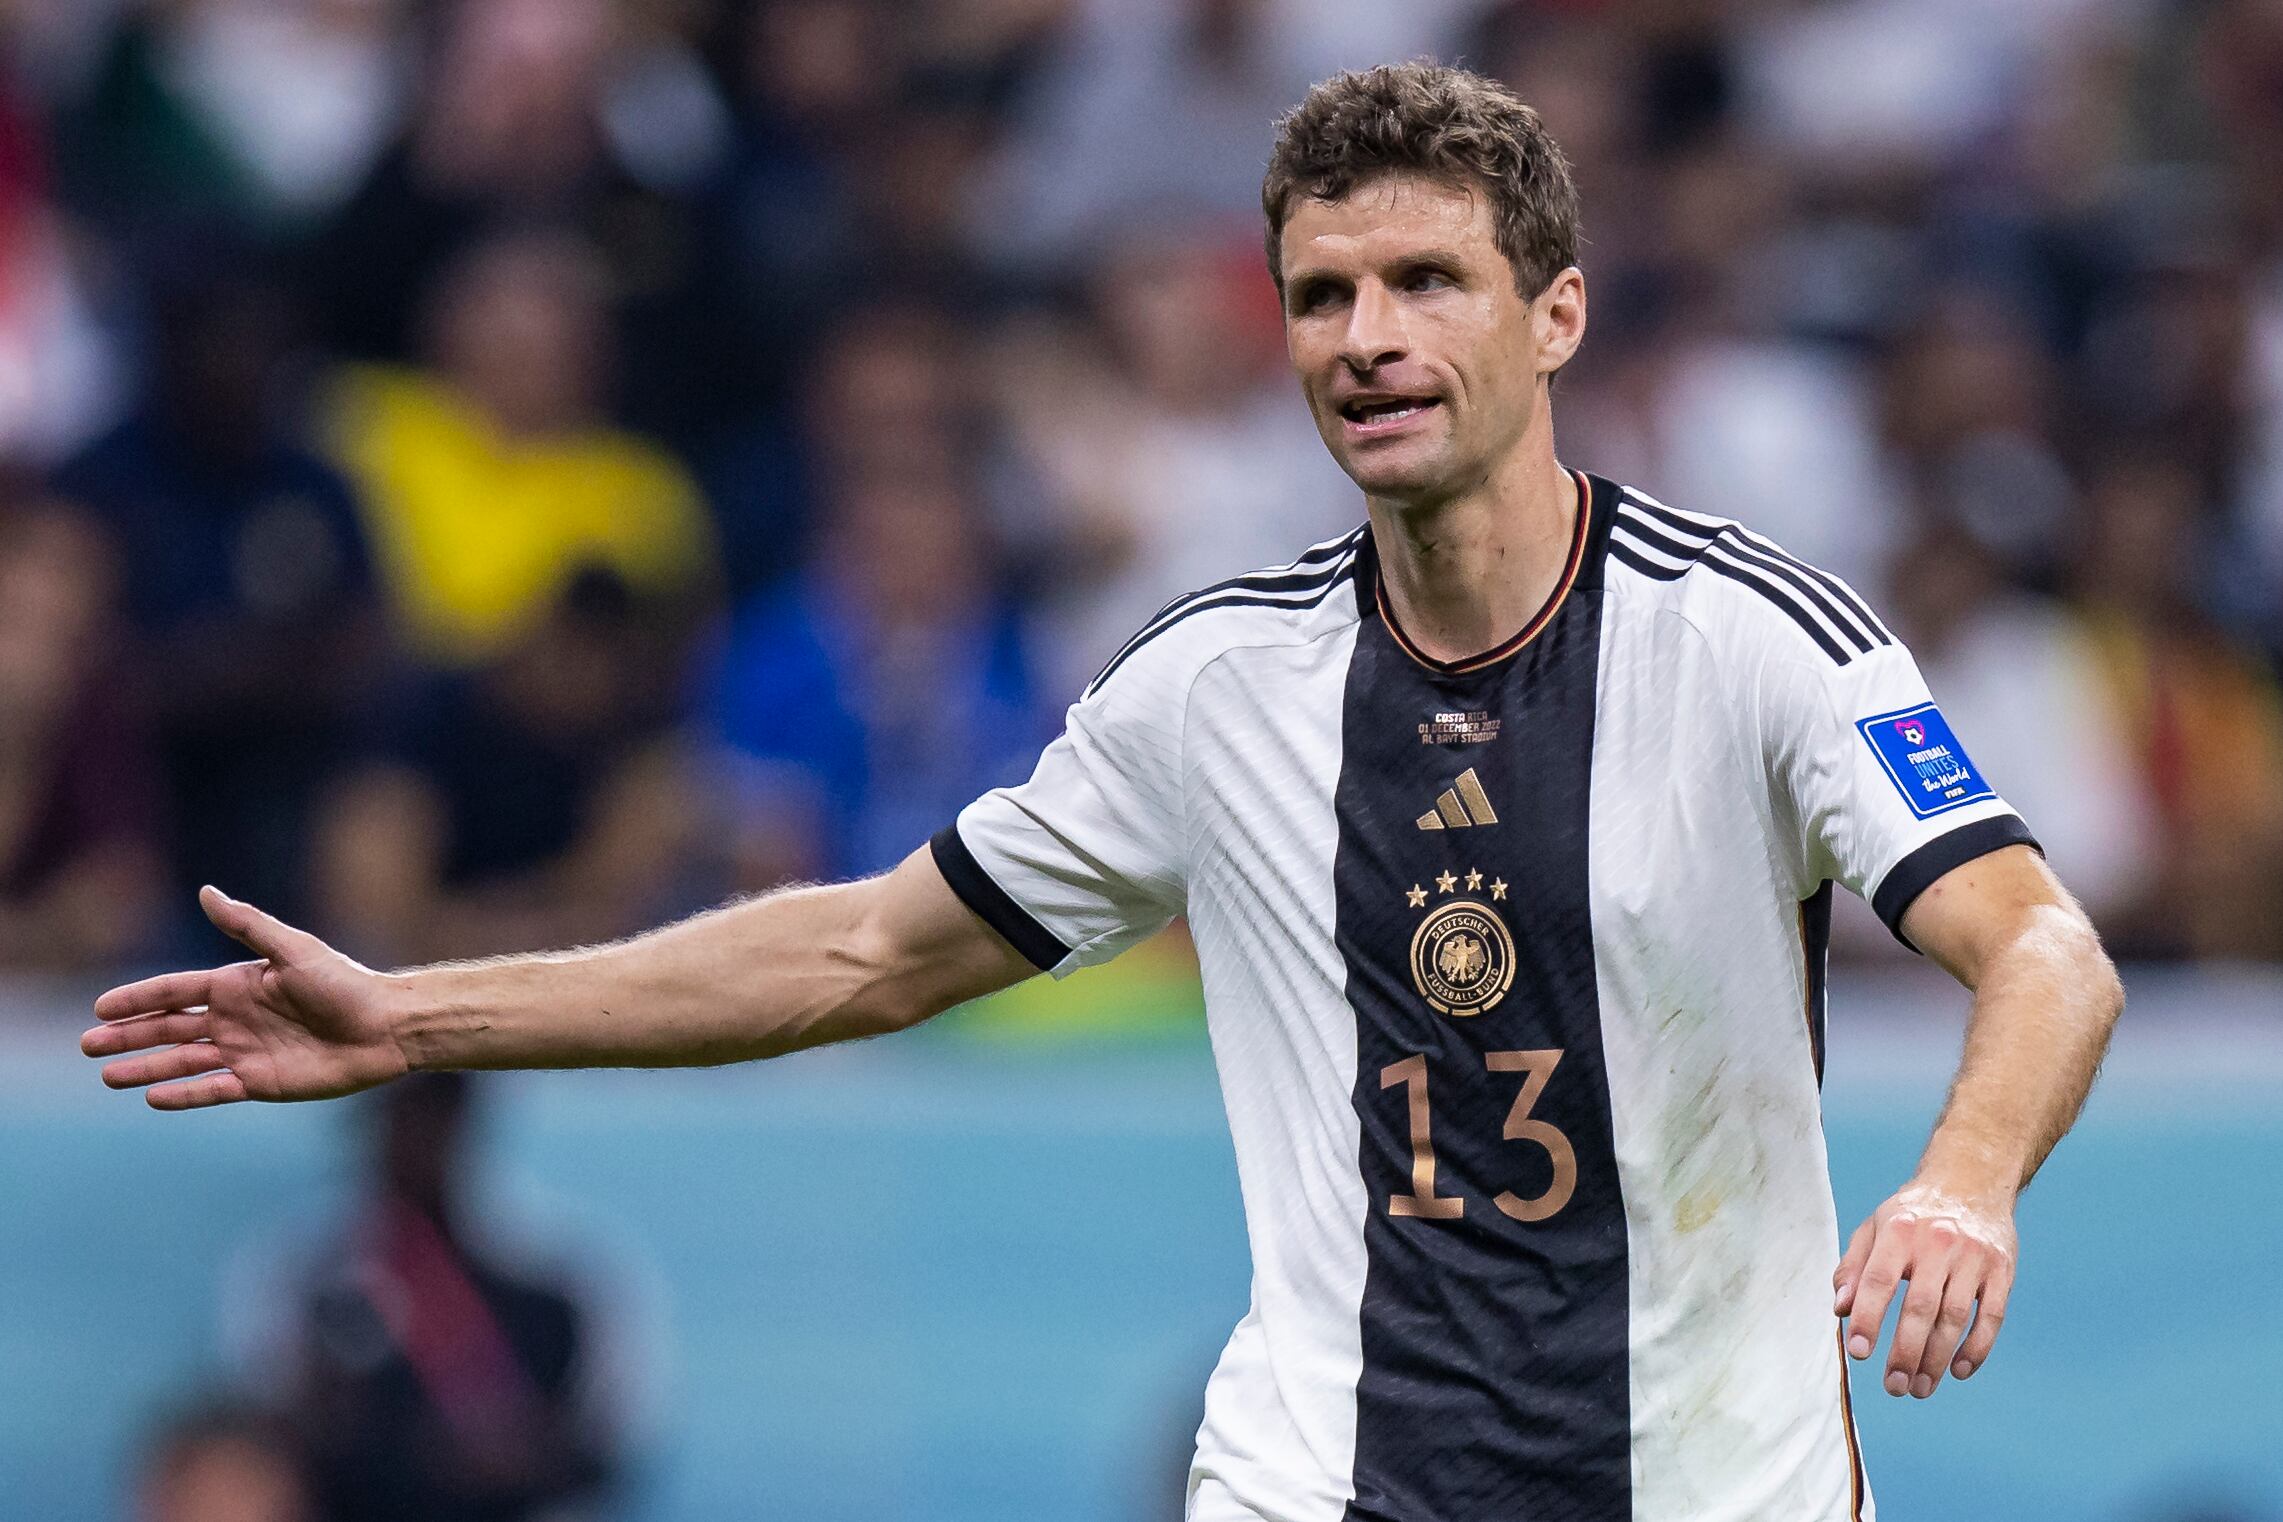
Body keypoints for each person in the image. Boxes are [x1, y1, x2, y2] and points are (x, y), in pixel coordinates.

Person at [85, 63, 2124, 1522]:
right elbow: (866, 945)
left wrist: (1956, 1177)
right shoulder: (1207, 682)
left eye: (1425, 281)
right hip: (1320, 1477)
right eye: (1320, 295)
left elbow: (2036, 943)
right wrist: (419, 1006)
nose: (1364, 336)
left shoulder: (1756, 636)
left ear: (1555, 315)